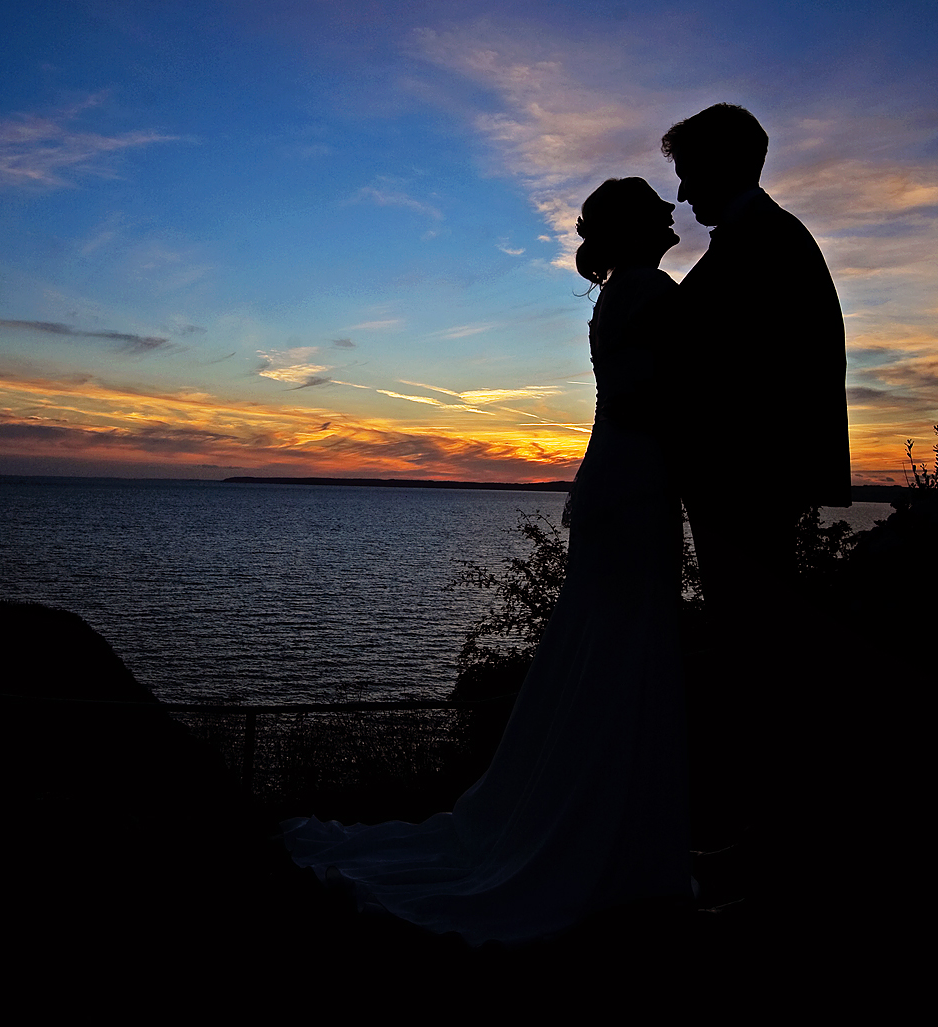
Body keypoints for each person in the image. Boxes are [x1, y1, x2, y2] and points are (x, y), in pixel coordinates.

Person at [279, 177, 695, 946]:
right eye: (655, 206)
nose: (673, 211)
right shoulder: (651, 291)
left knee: (603, 650)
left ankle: (608, 828)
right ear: (636, 227)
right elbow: (672, 398)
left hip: (620, 478)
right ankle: (608, 844)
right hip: (635, 484)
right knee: (622, 654)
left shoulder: (624, 295)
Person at [659, 103, 850, 852]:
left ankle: (770, 837)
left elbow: (763, 374)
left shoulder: (767, 243)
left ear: (721, 165)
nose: (680, 196)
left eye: (686, 174)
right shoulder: (762, 240)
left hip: (747, 487)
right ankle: (764, 827)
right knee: (751, 652)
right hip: (742, 484)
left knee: (757, 657)